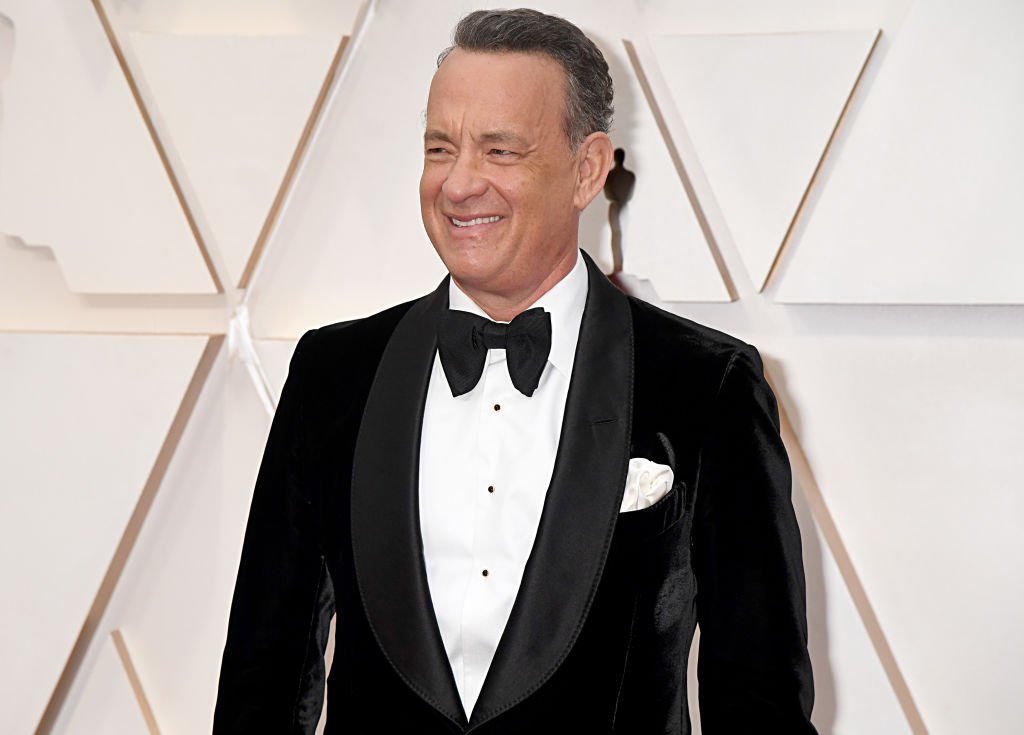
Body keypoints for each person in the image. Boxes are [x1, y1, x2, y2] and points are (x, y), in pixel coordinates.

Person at [214, 8, 815, 734]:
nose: (459, 184)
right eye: (440, 149)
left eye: (500, 152)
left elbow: (759, 704)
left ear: (587, 169)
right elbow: (262, 682)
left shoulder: (705, 386)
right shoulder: (332, 374)